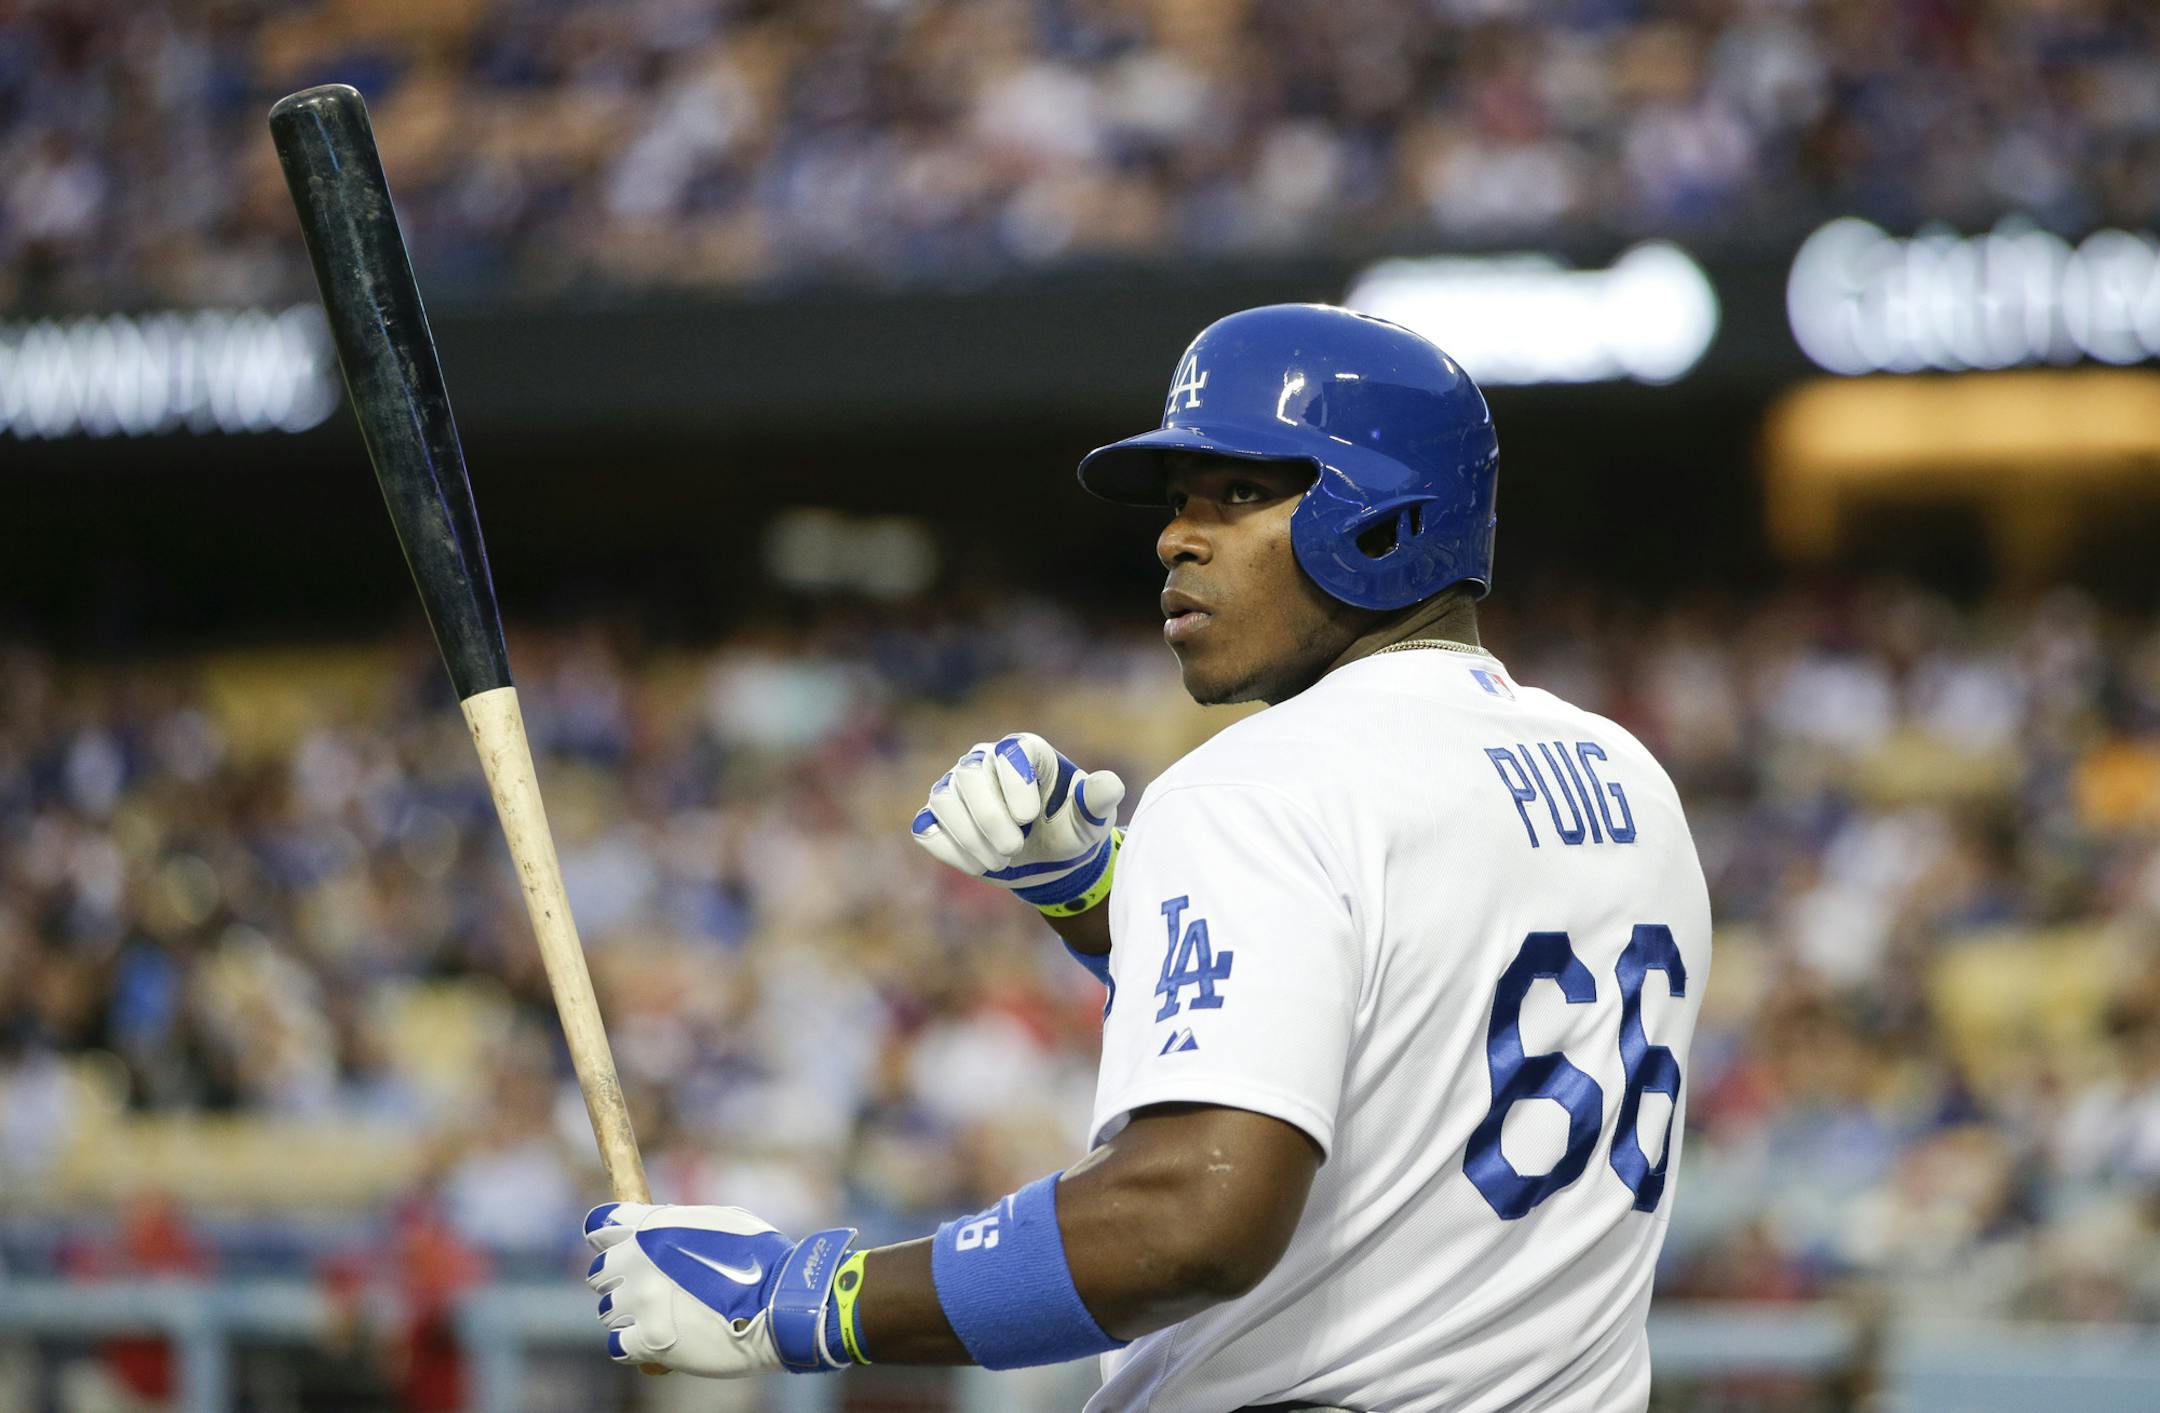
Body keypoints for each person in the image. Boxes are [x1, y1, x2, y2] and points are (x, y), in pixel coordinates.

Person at [579, 304, 1712, 1412]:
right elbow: (1385, 1022)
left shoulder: (1260, 783)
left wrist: (802, 1299)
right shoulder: (1626, 775)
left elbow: (1187, 1222)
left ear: (1384, 517)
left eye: (1241, 492)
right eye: (1178, 501)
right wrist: (1096, 894)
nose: (1177, 535)